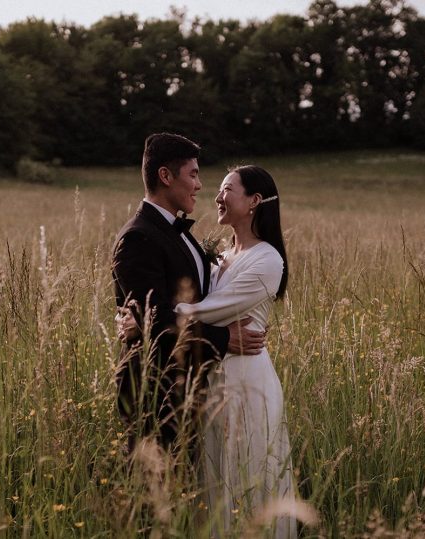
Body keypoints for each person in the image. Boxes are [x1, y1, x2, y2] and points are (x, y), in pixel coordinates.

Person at [120, 165, 296, 537]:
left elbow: (205, 310)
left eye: (227, 189)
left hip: (246, 380)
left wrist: (146, 320)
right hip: (211, 377)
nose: (215, 195)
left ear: (254, 202)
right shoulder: (219, 257)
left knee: (245, 475)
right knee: (213, 482)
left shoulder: (267, 260)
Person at [111, 133, 265, 455]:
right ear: (165, 176)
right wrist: (224, 339)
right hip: (154, 392)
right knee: (154, 493)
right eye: (192, 174)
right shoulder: (138, 238)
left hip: (189, 388)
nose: (199, 185)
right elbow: (156, 321)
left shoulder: (179, 234)